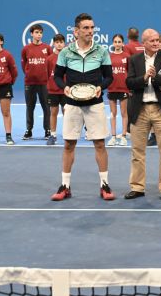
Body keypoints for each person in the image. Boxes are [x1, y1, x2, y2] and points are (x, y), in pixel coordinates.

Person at [51, 13, 115, 201]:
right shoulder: (65, 52)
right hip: (72, 104)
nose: (90, 31)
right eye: (86, 28)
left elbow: (109, 77)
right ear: (76, 31)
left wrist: (99, 88)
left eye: (92, 27)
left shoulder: (102, 51)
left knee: (100, 144)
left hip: (94, 104)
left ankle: (104, 185)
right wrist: (65, 88)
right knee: (69, 144)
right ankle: (65, 186)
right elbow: (57, 76)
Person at [124, 29, 161, 201]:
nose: (156, 43)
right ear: (144, 43)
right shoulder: (134, 59)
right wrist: (144, 78)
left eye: (157, 40)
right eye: (152, 41)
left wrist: (154, 78)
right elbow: (129, 82)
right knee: (137, 152)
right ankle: (137, 187)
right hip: (139, 110)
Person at [21, 23, 53, 141]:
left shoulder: (47, 48)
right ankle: (29, 130)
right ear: (31, 34)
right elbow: (24, 63)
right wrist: (30, 74)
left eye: (40, 33)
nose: (39, 35)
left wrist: (47, 77)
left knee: (46, 107)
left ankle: (47, 130)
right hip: (30, 83)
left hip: (44, 83)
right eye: (36, 32)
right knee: (30, 107)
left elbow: (50, 64)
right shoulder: (26, 49)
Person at [107, 34, 130, 147]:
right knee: (113, 114)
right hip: (112, 88)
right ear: (113, 43)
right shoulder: (109, 57)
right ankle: (113, 137)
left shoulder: (127, 56)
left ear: (122, 43)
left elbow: (130, 73)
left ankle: (124, 137)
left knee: (124, 113)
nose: (117, 44)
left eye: (119, 41)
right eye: (115, 41)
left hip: (123, 88)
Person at [46, 34, 66, 146]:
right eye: (57, 42)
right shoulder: (49, 59)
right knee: (53, 112)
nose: (59, 44)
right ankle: (53, 135)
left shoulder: (68, 57)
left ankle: (67, 134)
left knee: (66, 113)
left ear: (64, 44)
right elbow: (47, 74)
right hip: (53, 90)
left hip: (65, 90)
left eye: (61, 42)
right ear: (54, 43)